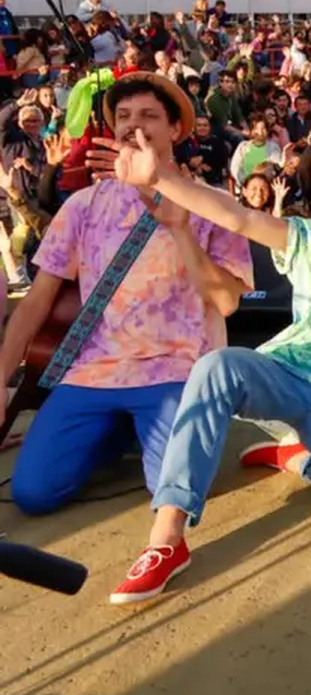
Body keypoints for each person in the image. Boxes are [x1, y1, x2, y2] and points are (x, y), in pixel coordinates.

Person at [100, 136, 311, 604]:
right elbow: (238, 216)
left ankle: (293, 457)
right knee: (217, 366)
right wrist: (159, 177)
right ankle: (166, 538)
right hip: (288, 373)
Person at [0, 76, 253, 515]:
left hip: (177, 369)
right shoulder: (83, 205)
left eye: (149, 115)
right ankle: (116, 432)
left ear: (175, 130)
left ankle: (138, 431)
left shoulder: (212, 203)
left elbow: (228, 302)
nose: (132, 125)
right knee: (33, 493)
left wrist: (180, 227)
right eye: (123, 116)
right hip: (94, 372)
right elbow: (36, 302)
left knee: (175, 495)